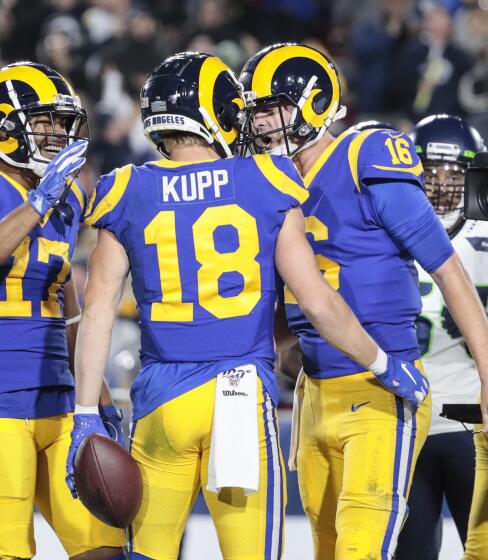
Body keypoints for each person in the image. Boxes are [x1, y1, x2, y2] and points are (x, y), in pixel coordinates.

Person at [65, 51, 428, 560]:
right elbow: (317, 300)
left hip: (160, 400)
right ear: (216, 110)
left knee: (146, 554)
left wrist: (85, 412)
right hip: (238, 399)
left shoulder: (128, 188)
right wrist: (383, 363)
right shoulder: (264, 180)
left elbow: (97, 311)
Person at [240, 43, 488, 559]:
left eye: (270, 109)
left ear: (311, 102)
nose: (261, 124)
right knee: (327, 549)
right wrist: (285, 345)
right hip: (313, 392)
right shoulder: (271, 181)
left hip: (381, 382)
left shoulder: (364, 153)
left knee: (363, 549)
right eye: (256, 112)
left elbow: (449, 270)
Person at [0, 61, 125, 560]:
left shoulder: (69, 197)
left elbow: (70, 310)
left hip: (58, 397)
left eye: (61, 122)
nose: (57, 133)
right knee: (11, 553)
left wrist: (96, 401)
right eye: (44, 121)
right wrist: (37, 201)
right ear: (3, 124)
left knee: (105, 547)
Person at [395, 114, 485, 558]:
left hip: (473, 420)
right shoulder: (387, 231)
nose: (441, 184)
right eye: (430, 172)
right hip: (406, 421)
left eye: (453, 173)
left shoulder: (390, 232)